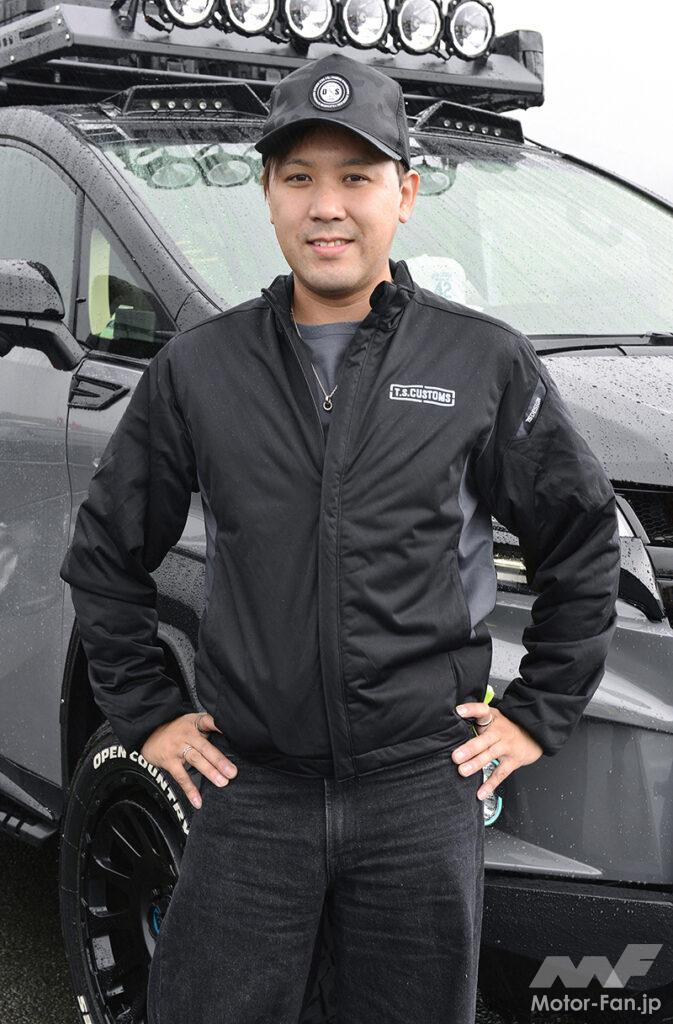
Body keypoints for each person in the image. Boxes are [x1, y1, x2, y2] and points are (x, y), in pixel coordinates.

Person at [59, 51, 621, 1024]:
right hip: (252, 794)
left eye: (356, 177)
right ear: (267, 194)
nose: (327, 206)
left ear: (403, 194)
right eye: (299, 177)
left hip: (418, 797)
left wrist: (536, 713)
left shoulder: (480, 361)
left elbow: (579, 539)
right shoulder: (201, 368)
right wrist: (151, 714)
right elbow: (105, 554)